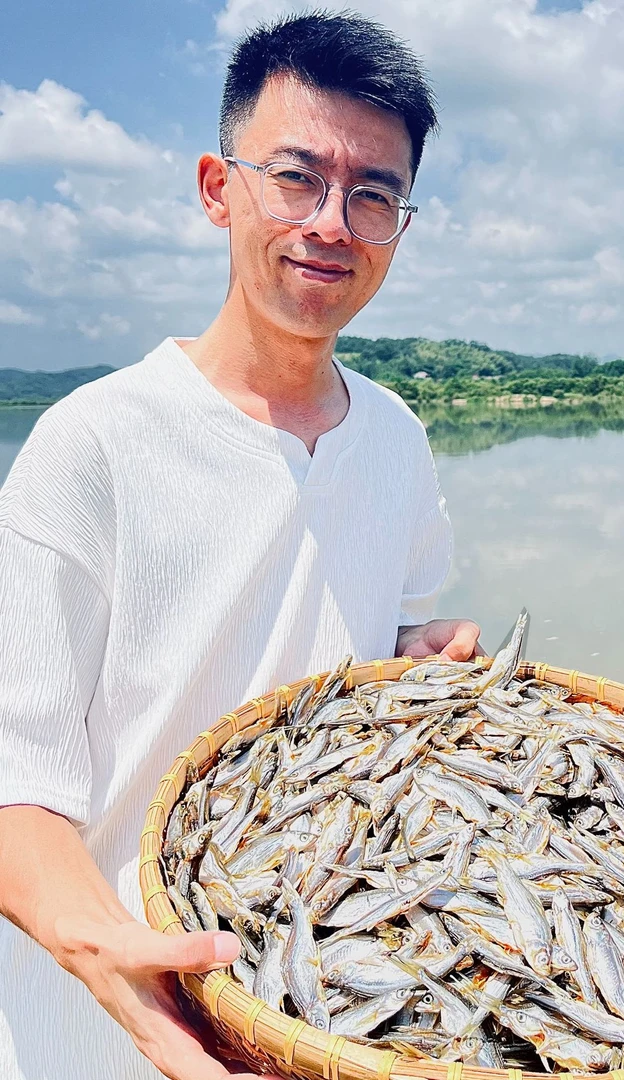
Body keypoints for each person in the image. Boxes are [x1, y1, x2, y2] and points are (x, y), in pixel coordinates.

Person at [0, 13, 481, 1080]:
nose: (331, 223)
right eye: (295, 177)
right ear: (220, 188)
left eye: (374, 194)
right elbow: (12, 783)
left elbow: (380, 632)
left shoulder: (395, 438)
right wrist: (106, 950)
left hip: (322, 1012)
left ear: (401, 222)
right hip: (98, 1030)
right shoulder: (93, 446)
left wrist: (424, 657)